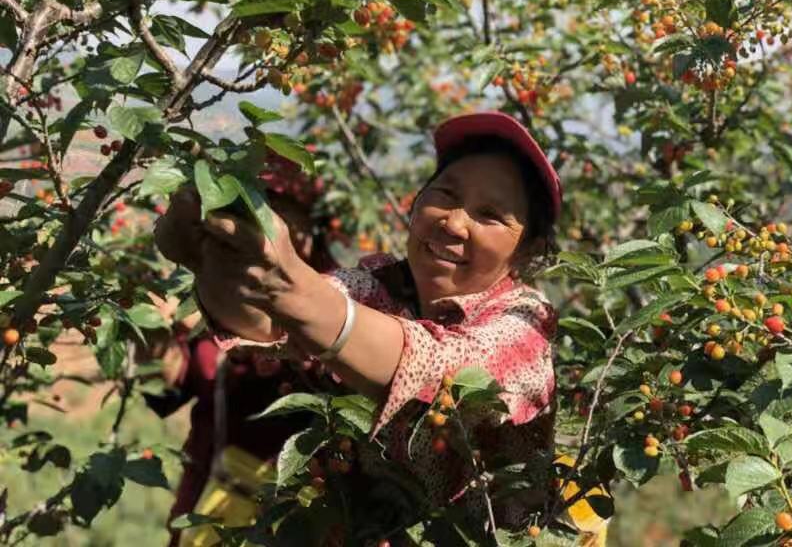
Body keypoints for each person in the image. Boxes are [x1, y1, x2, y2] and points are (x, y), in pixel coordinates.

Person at [154, 110, 563, 543]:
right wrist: (213, 265)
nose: (454, 221)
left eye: (491, 215)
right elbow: (274, 322)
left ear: (527, 251)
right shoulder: (379, 284)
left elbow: (441, 366)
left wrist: (291, 291)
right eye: (445, 193)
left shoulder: (524, 325)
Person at [148, 152, 339, 547]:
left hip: (288, 517)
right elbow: (170, 392)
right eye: (256, 213)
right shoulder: (220, 291)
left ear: (311, 227)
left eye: (282, 216)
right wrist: (156, 339)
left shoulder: (341, 304)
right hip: (206, 501)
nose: (267, 230)